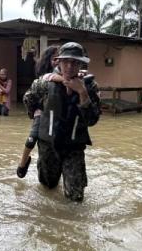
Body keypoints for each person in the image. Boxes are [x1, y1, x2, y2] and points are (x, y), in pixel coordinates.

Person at [23, 42, 101, 202]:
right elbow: (28, 99)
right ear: (58, 62)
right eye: (66, 61)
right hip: (48, 145)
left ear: (81, 64)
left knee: (76, 197)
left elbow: (92, 120)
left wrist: (83, 93)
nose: (70, 66)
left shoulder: (90, 86)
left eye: (75, 62)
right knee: (47, 188)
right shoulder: (44, 83)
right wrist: (37, 115)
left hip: (73, 148)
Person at [16, 45, 61, 178]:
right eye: (54, 59)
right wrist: (34, 112)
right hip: (42, 113)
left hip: (59, 117)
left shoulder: (69, 75)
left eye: (60, 59)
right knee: (32, 138)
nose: (58, 62)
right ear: (48, 61)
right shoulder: (44, 78)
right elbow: (28, 97)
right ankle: (22, 163)